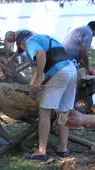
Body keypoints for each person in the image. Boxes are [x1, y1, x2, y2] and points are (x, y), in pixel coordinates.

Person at [5, 29, 77, 161]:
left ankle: (41, 151)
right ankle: (63, 148)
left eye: (22, 48)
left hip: (60, 72)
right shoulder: (47, 38)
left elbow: (41, 54)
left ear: (21, 43)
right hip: (72, 70)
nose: (25, 51)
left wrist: (38, 80)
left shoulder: (30, 41)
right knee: (64, 112)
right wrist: (37, 80)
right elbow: (45, 64)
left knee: (44, 112)